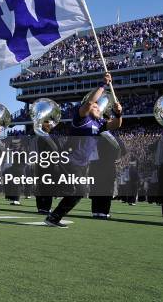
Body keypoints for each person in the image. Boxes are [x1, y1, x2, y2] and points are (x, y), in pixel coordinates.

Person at [45, 72, 123, 228]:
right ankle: (53, 216)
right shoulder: (81, 119)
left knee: (78, 192)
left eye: (98, 107)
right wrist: (103, 84)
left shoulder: (100, 123)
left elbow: (116, 125)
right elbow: (88, 102)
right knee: (79, 190)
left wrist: (119, 113)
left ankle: (54, 216)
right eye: (95, 106)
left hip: (81, 163)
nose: (97, 107)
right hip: (69, 160)